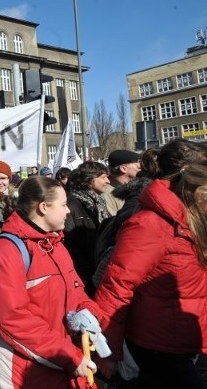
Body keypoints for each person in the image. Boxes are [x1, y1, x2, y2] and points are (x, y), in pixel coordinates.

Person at [0, 176, 102, 388]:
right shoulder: (7, 251)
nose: (68, 211)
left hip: (62, 361)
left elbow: (76, 290)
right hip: (24, 368)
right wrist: (68, 355)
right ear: (43, 207)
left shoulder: (55, 244)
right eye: (63, 205)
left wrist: (89, 311)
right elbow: (12, 319)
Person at [95, 160, 207, 389]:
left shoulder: (195, 220)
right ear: (198, 195)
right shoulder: (150, 224)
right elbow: (116, 287)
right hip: (159, 347)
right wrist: (107, 350)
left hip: (189, 340)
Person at [64, 161, 111, 297]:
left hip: (98, 269)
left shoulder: (99, 203)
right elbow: (69, 244)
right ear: (89, 180)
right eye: (102, 177)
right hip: (84, 275)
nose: (107, 181)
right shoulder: (71, 205)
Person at [102, 150, 141, 216]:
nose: (141, 170)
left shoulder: (135, 189)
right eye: (139, 167)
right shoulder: (105, 193)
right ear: (123, 169)